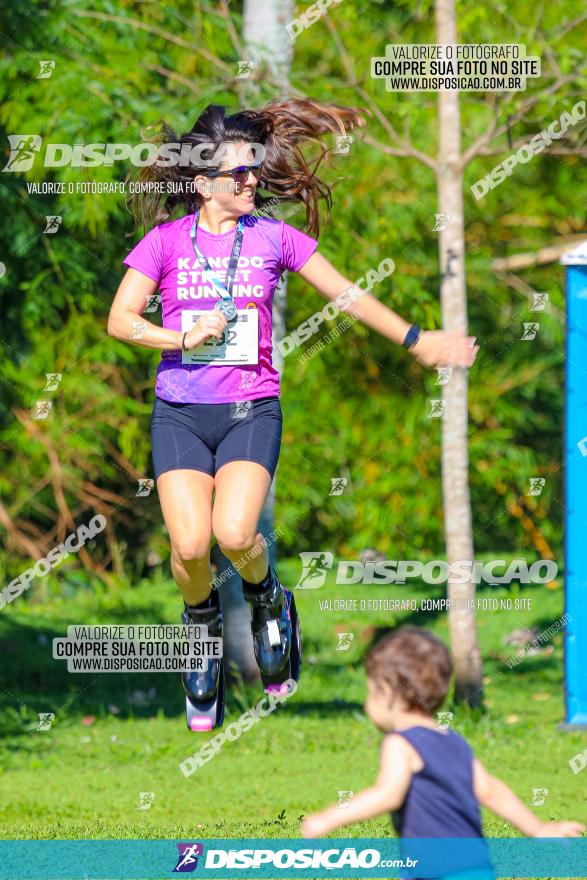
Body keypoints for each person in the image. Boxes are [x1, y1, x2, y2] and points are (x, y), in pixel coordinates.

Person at [107, 99, 478, 730]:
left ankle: (269, 601)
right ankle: (201, 637)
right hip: (179, 413)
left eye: (254, 169)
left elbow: (349, 294)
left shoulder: (273, 238)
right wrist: (181, 338)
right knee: (190, 546)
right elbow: (120, 321)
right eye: (237, 174)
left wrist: (420, 343)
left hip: (251, 410)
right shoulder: (163, 243)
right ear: (202, 184)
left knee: (233, 534)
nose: (252, 180)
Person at [301, 627, 584, 878]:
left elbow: (388, 794)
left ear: (387, 693)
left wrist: (328, 819)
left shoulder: (401, 743)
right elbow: (490, 790)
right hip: (477, 868)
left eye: (369, 692)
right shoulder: (453, 740)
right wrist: (537, 829)